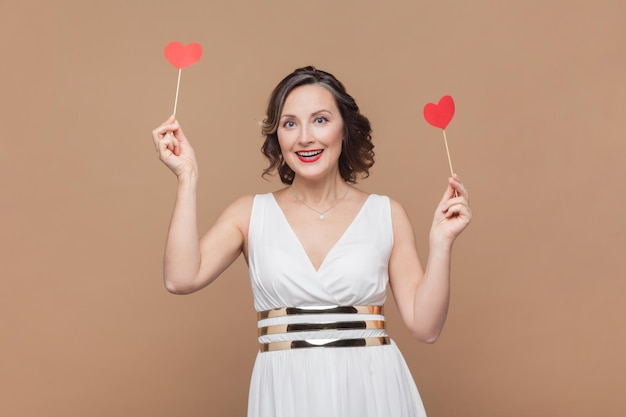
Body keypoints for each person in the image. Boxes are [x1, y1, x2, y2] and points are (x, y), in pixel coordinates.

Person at [151, 66, 472, 417]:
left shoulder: (386, 213)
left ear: (344, 129)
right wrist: (187, 177)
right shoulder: (249, 213)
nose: (305, 137)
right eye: (290, 124)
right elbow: (180, 278)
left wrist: (441, 243)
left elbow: (425, 328)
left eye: (320, 120)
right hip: (286, 392)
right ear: (278, 137)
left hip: (373, 390)